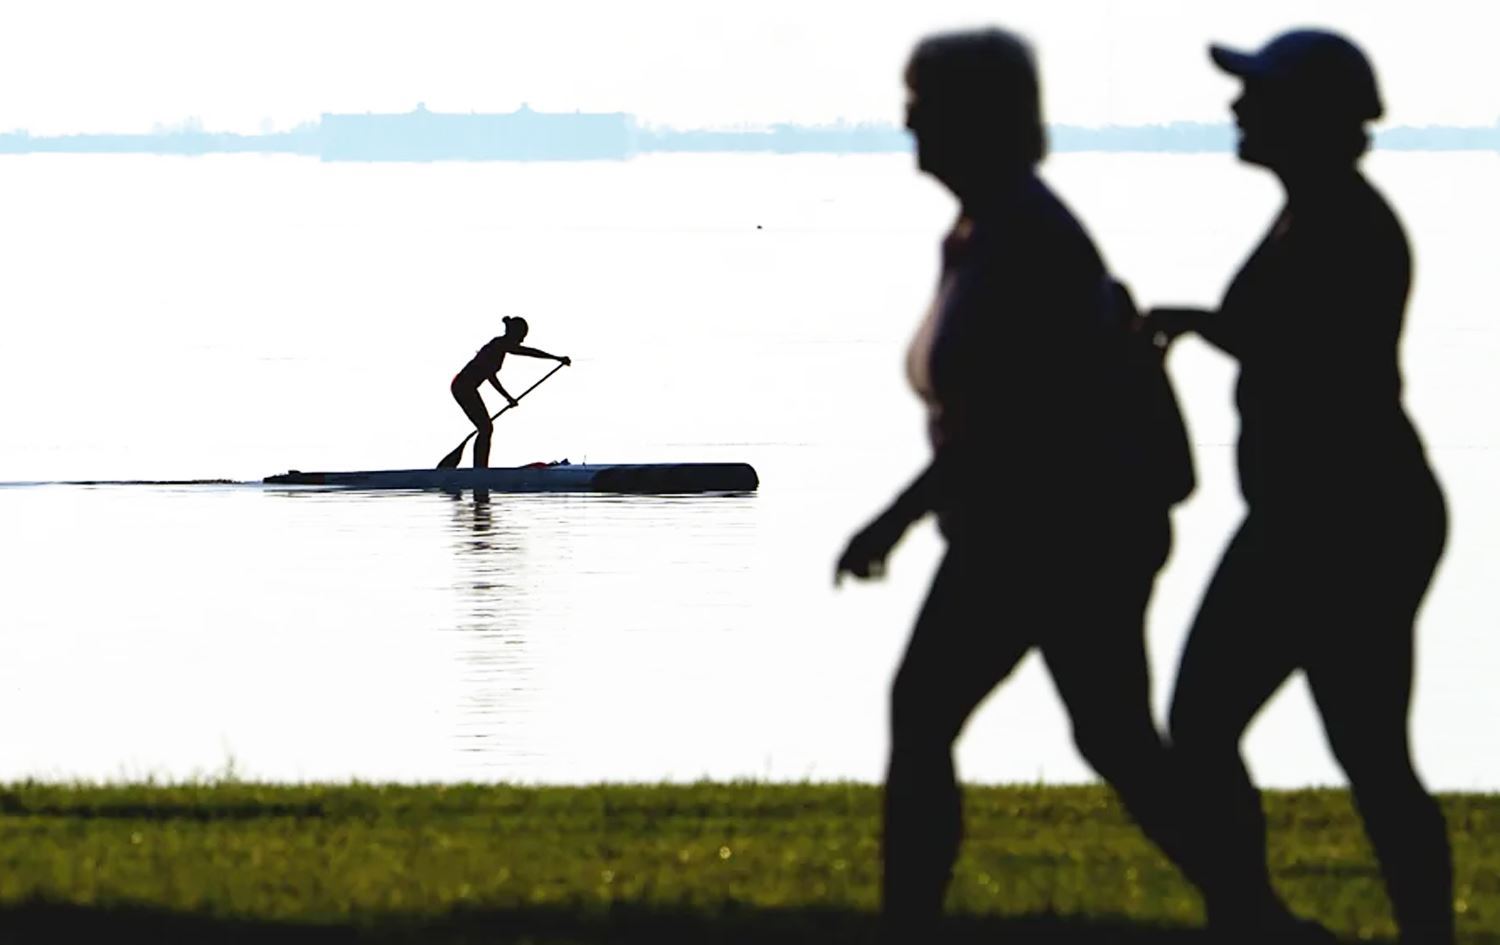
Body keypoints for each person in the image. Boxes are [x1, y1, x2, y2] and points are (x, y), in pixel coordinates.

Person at [835, 28, 1198, 942]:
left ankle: (908, 923)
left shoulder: (1025, 236)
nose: (907, 121)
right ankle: (1254, 909)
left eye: (922, 105)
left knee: (929, 712)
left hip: (1050, 531)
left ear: (974, 119)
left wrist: (893, 518)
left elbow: (1012, 416)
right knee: (1110, 736)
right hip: (1033, 525)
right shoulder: (984, 228)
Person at [1146, 30, 1454, 944]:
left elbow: (1315, 355)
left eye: (1257, 96)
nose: (1238, 110)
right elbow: (1288, 339)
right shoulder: (1317, 212)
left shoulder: (1342, 223)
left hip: (1338, 520)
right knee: (1314, 742)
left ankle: (1264, 921)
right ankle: (1264, 918)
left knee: (1242, 732)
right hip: (1318, 513)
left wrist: (1204, 326)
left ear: (1310, 119)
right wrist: (1199, 324)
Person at [451, 315, 570, 468]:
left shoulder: (499, 348)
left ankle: (480, 468)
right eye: (521, 336)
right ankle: (480, 469)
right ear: (514, 333)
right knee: (485, 428)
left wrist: (508, 398)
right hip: (462, 387)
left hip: (465, 387)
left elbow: (491, 374)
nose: (522, 341)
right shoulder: (499, 345)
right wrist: (556, 358)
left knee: (485, 428)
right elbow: (528, 352)